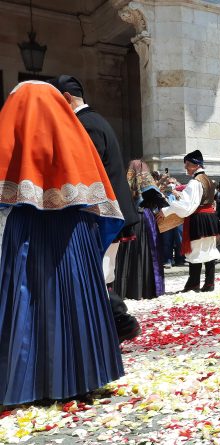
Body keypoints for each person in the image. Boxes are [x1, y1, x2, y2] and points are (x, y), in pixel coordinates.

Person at [0, 81, 125, 405]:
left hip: (28, 225)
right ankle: (85, 375)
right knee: (76, 296)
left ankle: (24, 384)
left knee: (28, 298)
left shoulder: (14, 124)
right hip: (74, 227)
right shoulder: (76, 134)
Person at [48, 75, 141, 342]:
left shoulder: (85, 125)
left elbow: (84, 174)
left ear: (65, 99)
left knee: (92, 274)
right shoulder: (94, 121)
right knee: (97, 274)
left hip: (102, 215)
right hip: (106, 214)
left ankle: (119, 321)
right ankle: (108, 330)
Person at [158, 150, 220, 292]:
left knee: (196, 250)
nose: (185, 167)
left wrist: (168, 205)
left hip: (199, 218)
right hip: (209, 218)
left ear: (195, 165)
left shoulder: (194, 182)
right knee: (208, 249)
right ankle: (209, 283)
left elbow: (187, 206)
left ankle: (193, 284)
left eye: (187, 164)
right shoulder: (208, 180)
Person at [113, 160, 167, 300]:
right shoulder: (148, 185)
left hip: (129, 219)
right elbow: (158, 201)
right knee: (145, 252)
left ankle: (126, 289)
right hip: (145, 219)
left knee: (128, 252)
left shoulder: (124, 185)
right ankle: (146, 288)